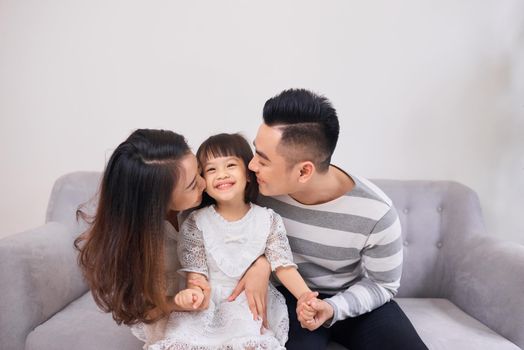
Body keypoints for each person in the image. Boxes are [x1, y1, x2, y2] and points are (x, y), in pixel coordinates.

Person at [244, 89, 428, 349]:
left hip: (352, 298)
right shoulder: (258, 191)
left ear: (304, 171)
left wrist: (331, 308)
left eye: (263, 160)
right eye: (255, 153)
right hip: (288, 299)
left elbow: (383, 285)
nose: (251, 166)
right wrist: (260, 263)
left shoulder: (375, 211)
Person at [73, 129, 269, 347]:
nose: (204, 182)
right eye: (193, 184)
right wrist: (177, 302)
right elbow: (139, 309)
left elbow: (250, 232)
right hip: (179, 319)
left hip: (224, 309)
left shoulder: (207, 202)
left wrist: (261, 264)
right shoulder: (135, 247)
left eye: (199, 171)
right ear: (158, 202)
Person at [144, 133, 317, 349]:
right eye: (211, 169)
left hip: (248, 303)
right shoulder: (195, 222)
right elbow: (195, 273)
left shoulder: (268, 219)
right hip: (207, 304)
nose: (222, 175)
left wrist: (306, 298)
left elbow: (283, 265)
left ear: (248, 173)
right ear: (202, 181)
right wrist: (192, 295)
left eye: (230, 165)